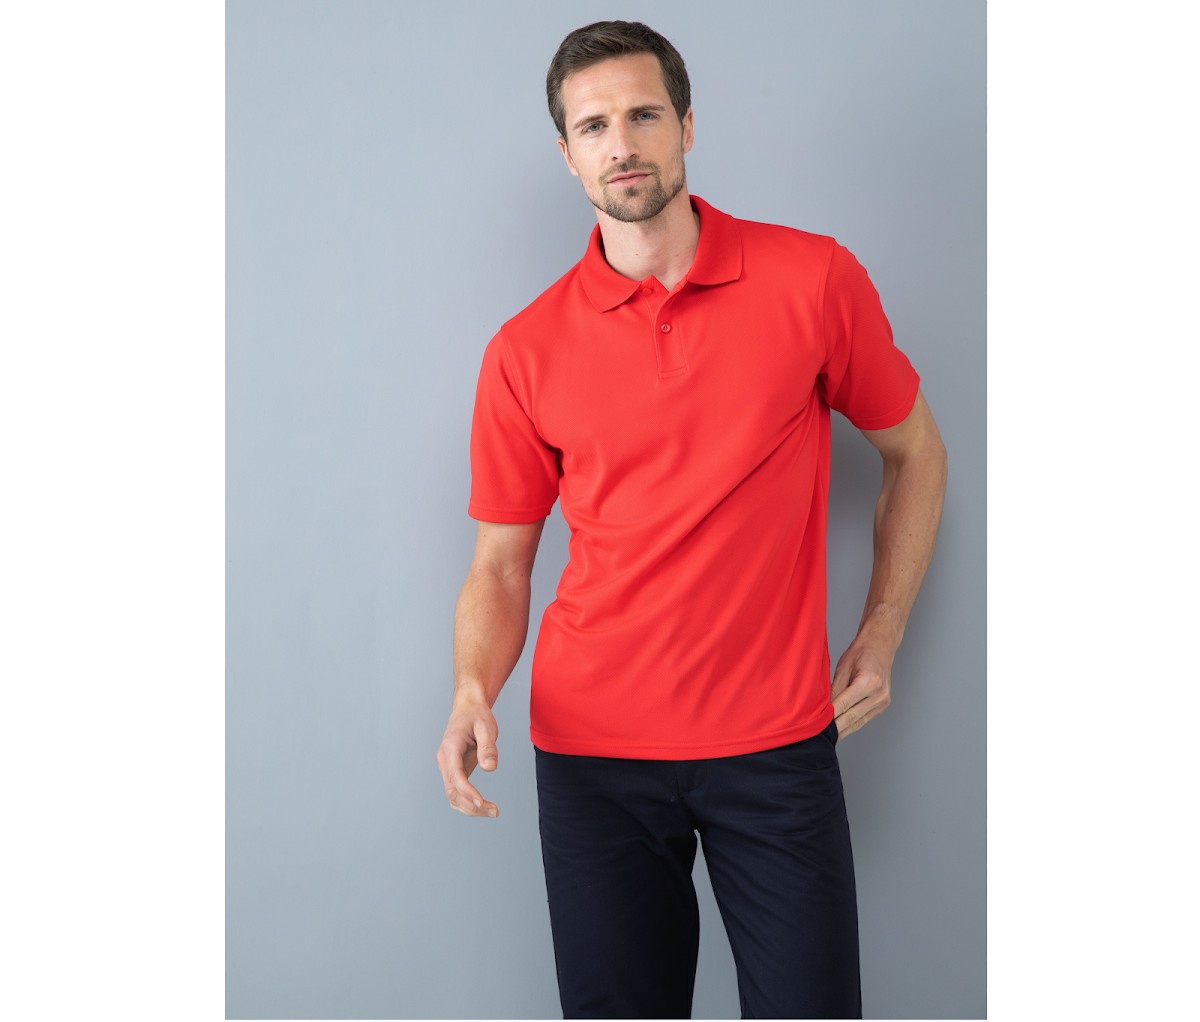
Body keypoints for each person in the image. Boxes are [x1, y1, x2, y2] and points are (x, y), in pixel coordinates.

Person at [436, 20, 947, 1020]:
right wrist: (469, 689)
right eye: (594, 126)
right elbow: (500, 566)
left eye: (643, 115)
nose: (621, 144)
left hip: (776, 742)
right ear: (567, 152)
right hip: (592, 755)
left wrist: (883, 627)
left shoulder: (813, 280)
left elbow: (917, 452)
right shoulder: (524, 350)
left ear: (687, 127)